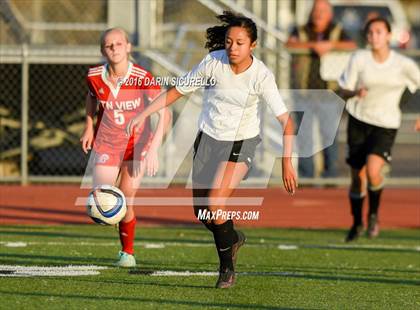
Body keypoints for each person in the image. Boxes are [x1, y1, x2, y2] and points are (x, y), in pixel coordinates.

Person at [126, 11, 297, 288]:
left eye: (240, 42)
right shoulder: (212, 62)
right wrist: (144, 114)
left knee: (216, 203)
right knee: (203, 213)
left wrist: (286, 161)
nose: (232, 47)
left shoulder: (261, 75)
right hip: (208, 140)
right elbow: (177, 92)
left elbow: (286, 121)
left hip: (241, 143)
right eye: (229, 41)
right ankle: (233, 238)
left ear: (252, 45)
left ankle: (227, 269)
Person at [80, 28, 171, 266]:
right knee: (100, 198)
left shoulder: (142, 77)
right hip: (108, 143)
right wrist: (89, 126)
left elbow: (165, 112)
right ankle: (116, 228)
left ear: (128, 47)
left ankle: (127, 253)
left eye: (119, 44)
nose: (114, 49)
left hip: (137, 145)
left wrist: (153, 149)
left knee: (126, 197)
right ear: (102, 50)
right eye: (109, 45)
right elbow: (91, 97)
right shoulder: (94, 75)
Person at [338, 17, 420, 242]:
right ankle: (356, 223)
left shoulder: (402, 64)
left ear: (389, 35)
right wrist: (354, 93)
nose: (374, 36)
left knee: (374, 171)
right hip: (359, 119)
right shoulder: (359, 59)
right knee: (358, 177)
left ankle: (373, 214)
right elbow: (343, 89)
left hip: (386, 124)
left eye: (379, 32)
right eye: (371, 32)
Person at [286, 0, 356, 178]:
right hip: (304, 93)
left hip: (329, 95)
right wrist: (312, 47)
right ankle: (306, 177)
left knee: (329, 137)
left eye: (323, 11)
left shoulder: (338, 31)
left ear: (330, 14)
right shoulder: (301, 30)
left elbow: (352, 46)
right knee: (304, 136)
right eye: (316, 10)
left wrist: (330, 46)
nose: (319, 14)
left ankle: (330, 176)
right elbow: (290, 44)